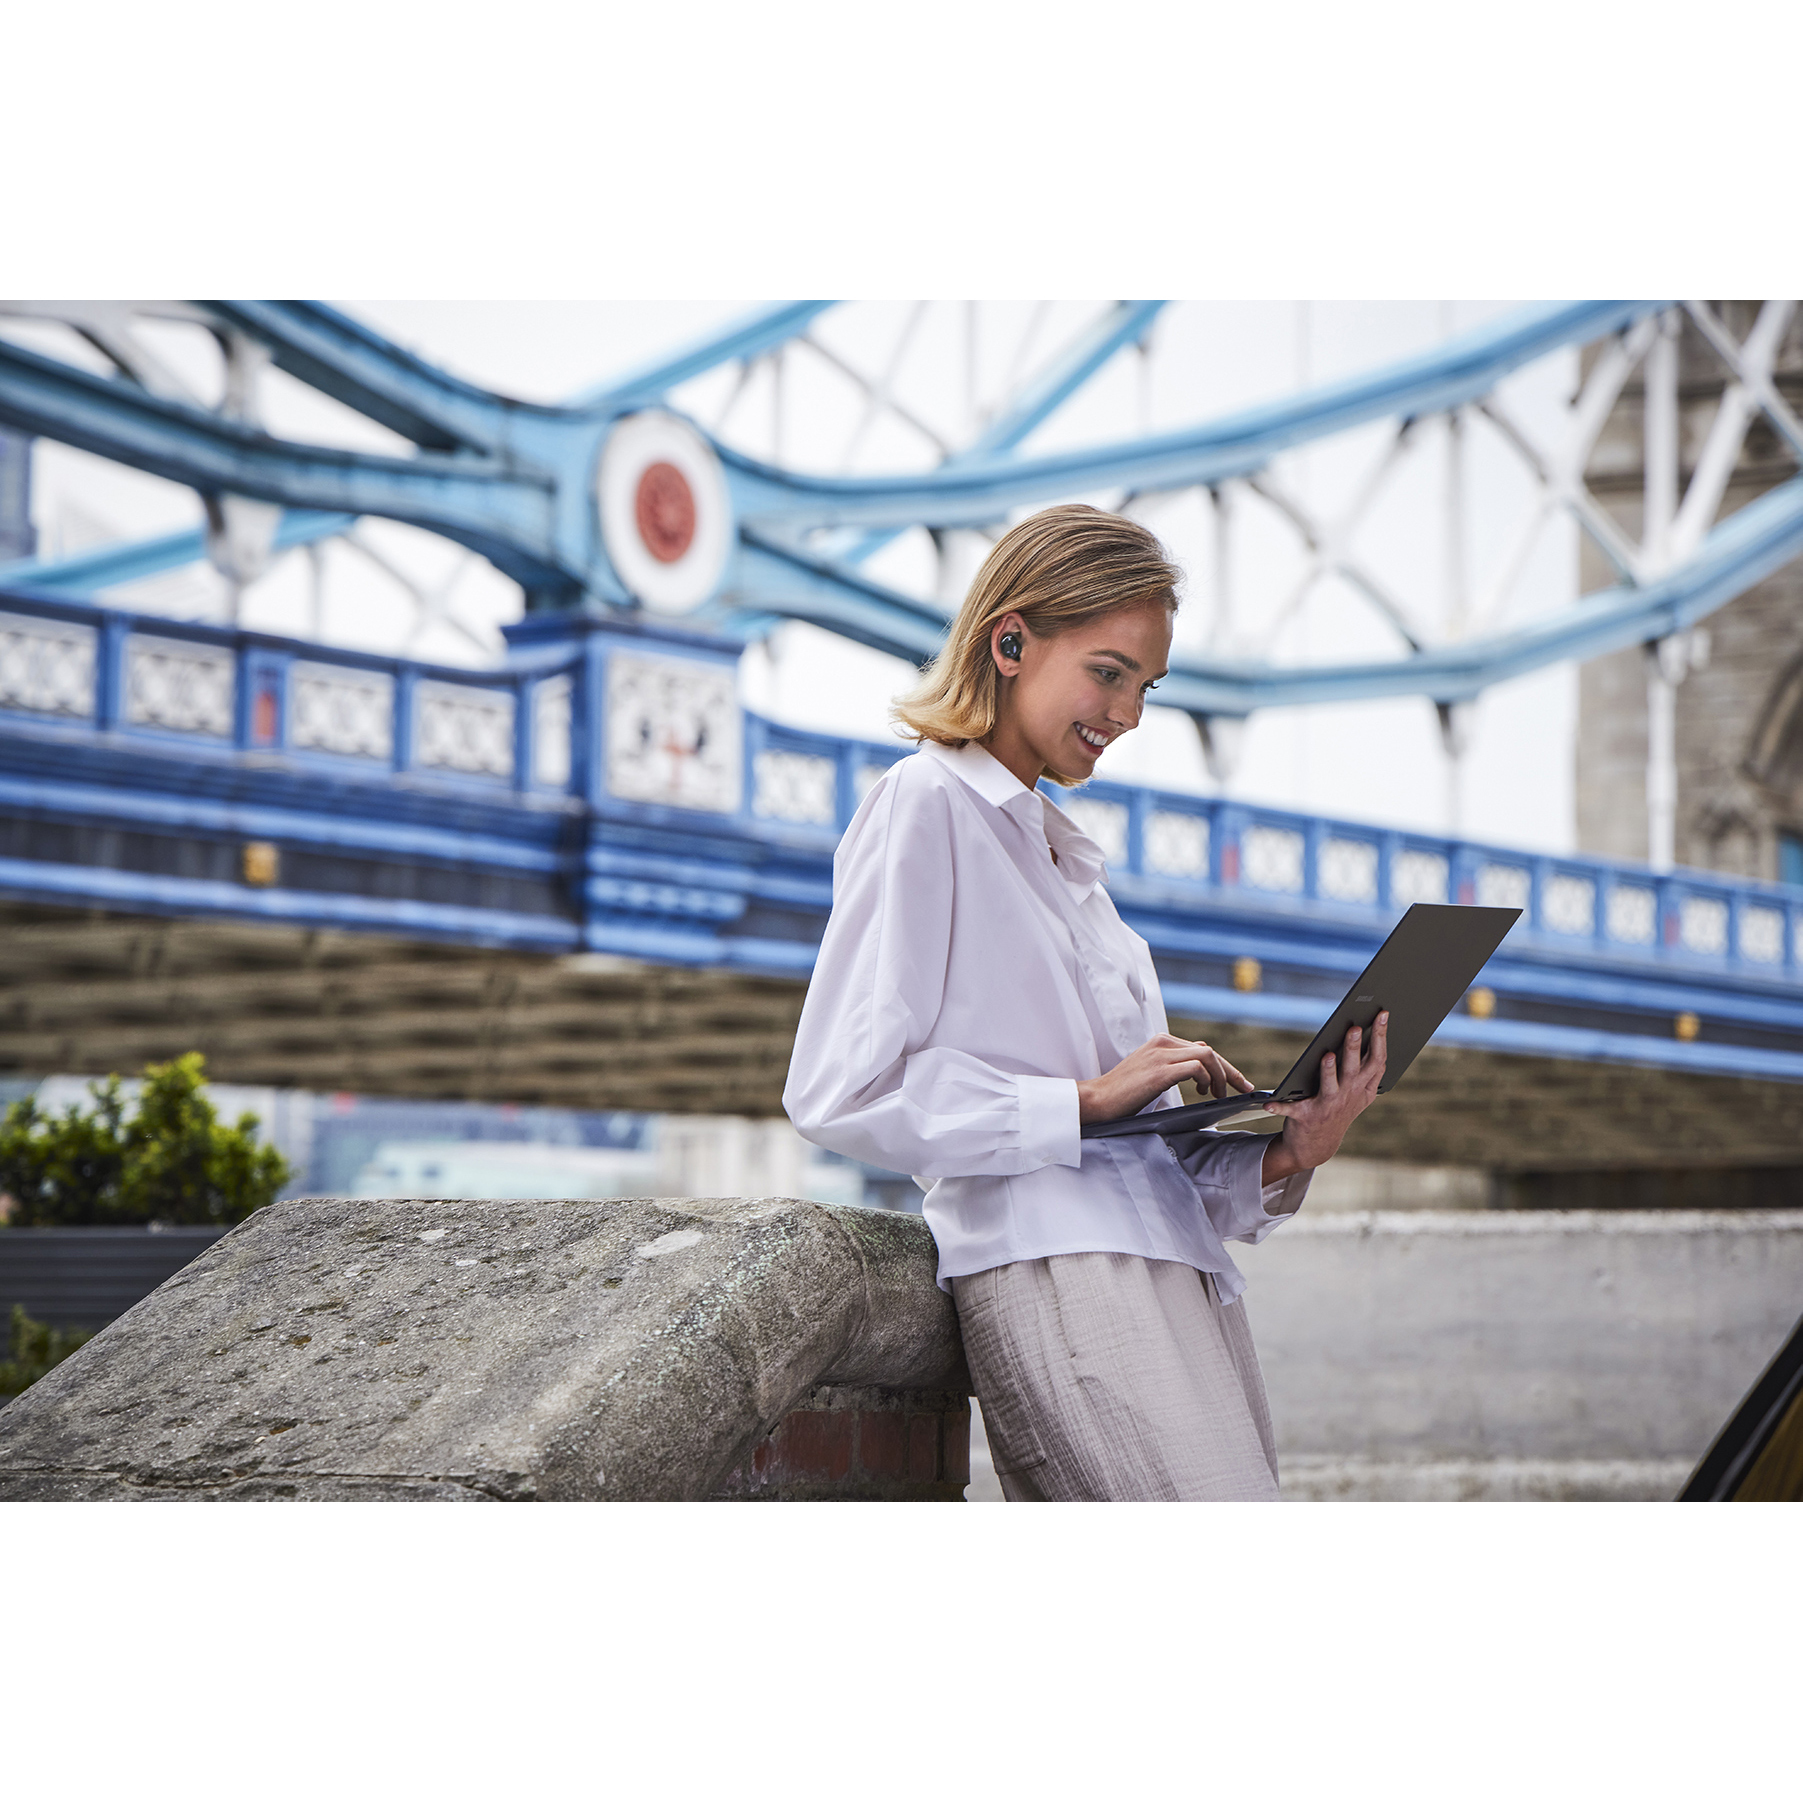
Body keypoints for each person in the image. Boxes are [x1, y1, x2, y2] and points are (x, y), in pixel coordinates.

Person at [783, 504, 1386, 1501]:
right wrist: (1083, 1099)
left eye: (1146, 686)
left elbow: (1137, 1162)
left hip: (1182, 1282)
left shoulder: (1067, 862)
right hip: (1059, 1272)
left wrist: (1291, 1148)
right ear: (1009, 642)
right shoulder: (925, 803)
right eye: (1108, 673)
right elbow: (840, 1088)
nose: (1129, 714)